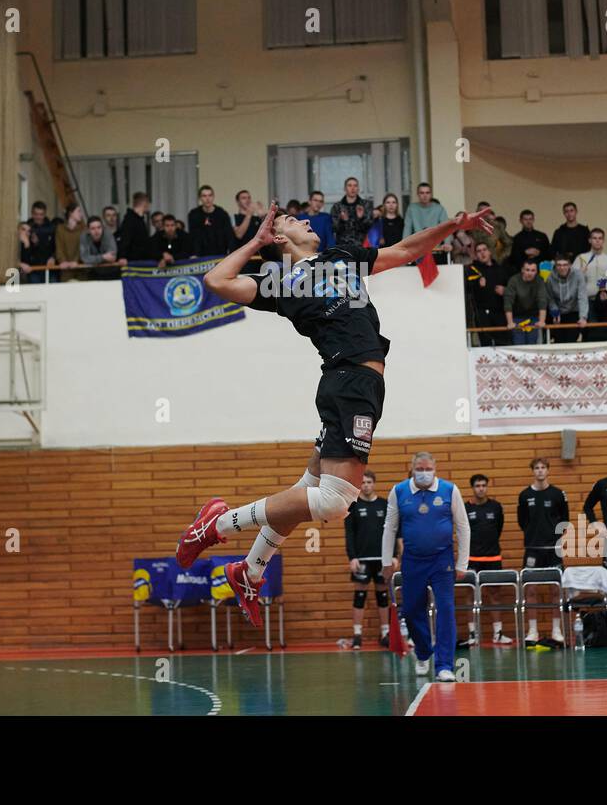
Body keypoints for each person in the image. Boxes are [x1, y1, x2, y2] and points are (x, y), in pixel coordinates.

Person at [175, 202, 494, 625]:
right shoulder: (279, 283)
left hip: (360, 385)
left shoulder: (340, 257)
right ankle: (216, 526)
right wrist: (255, 241)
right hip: (349, 383)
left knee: (309, 486)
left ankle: (249, 571)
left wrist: (451, 226)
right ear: (281, 240)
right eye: (293, 221)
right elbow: (217, 280)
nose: (307, 221)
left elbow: (403, 252)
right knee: (333, 503)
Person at [381, 453, 470, 681]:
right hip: (412, 560)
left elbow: (463, 527)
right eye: (419, 468)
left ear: (435, 468)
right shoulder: (399, 491)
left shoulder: (450, 490)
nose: (423, 472)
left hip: (442, 561)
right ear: (411, 469)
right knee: (411, 611)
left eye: (428, 468)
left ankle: (444, 666)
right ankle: (423, 652)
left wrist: (462, 563)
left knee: (446, 610)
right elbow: (389, 528)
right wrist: (385, 561)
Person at [517, 458, 569, 646]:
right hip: (532, 549)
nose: (540, 471)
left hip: (553, 549)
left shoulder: (558, 494)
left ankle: (556, 630)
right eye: (536, 468)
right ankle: (533, 630)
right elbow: (522, 521)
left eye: (543, 468)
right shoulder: (524, 495)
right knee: (530, 588)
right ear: (532, 471)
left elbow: (565, 520)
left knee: (556, 589)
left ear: (548, 470)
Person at [464, 473, 511, 645]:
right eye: (477, 486)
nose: (481, 488)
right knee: (470, 594)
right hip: (471, 557)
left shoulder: (496, 507)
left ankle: (497, 633)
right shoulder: (466, 508)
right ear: (473, 488)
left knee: (495, 594)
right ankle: (472, 634)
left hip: (492, 557)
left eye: (484, 485)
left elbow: (498, 528)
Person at [345, 471, 390, 650]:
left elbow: (392, 531)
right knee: (360, 595)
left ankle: (385, 633)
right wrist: (352, 557)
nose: (366, 485)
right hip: (362, 558)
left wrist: (393, 555)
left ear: (374, 484)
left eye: (369, 482)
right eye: (362, 482)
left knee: (383, 596)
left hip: (381, 558)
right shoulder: (353, 505)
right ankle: (357, 635)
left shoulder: (384, 505)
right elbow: (349, 534)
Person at [466, 242, 507, 346]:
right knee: (485, 344)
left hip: (499, 312)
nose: (482, 253)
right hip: (482, 313)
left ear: (489, 252)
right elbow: (467, 289)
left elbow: (511, 289)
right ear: (475, 255)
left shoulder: (500, 269)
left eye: (484, 250)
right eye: (479, 251)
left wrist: (505, 291)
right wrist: (477, 285)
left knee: (502, 343)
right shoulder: (472, 270)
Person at [545, 253, 590, 344]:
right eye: (559, 265)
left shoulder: (578, 275)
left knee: (571, 341)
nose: (562, 268)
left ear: (569, 265)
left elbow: (582, 297)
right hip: (558, 312)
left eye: (565, 265)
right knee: (559, 341)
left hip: (573, 311)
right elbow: (550, 298)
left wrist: (583, 317)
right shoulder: (550, 278)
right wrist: (555, 312)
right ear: (555, 266)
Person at [504, 258, 549, 345]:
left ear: (536, 271)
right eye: (527, 270)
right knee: (519, 344)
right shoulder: (514, 280)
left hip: (533, 317)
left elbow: (542, 300)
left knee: (532, 345)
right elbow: (508, 302)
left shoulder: (539, 280)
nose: (530, 273)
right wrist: (510, 322)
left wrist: (542, 321)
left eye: (533, 270)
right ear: (522, 270)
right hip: (517, 317)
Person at [402, 183, 448, 260]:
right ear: (418, 194)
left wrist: (447, 243)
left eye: (427, 193)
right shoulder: (412, 208)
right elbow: (407, 228)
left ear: (431, 194)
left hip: (436, 250)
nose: (425, 195)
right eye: (422, 193)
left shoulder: (439, 208)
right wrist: (404, 246)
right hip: (417, 251)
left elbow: (446, 227)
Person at [188, 185, 233, 257]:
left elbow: (229, 235)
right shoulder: (194, 214)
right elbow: (193, 236)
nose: (207, 199)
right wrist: (193, 253)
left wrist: (230, 252)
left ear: (213, 197)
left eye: (210, 195)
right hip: (201, 255)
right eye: (204, 196)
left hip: (220, 254)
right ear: (200, 198)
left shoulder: (222, 214)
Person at [332, 177, 375, 249]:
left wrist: (361, 218)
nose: (353, 188)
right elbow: (334, 229)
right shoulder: (337, 206)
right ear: (345, 189)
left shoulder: (366, 204)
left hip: (361, 247)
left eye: (355, 186)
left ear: (358, 189)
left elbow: (369, 226)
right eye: (350, 185)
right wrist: (342, 221)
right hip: (343, 247)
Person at [574, 228, 607, 306]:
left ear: (603, 241)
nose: (597, 241)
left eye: (600, 238)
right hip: (585, 300)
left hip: (604, 301)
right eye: (594, 238)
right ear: (589, 240)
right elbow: (571, 279)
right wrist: (579, 273)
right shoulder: (581, 258)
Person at [79, 215, 121, 281]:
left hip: (111, 272)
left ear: (103, 228)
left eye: (99, 227)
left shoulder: (108, 234)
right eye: (93, 228)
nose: (96, 231)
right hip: (93, 273)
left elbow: (112, 257)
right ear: (88, 230)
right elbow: (85, 258)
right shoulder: (84, 237)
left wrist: (93, 260)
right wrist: (103, 257)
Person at [117, 192, 155, 262]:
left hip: (141, 259)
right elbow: (125, 238)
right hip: (134, 260)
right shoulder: (130, 220)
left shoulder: (138, 220)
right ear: (145, 203)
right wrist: (122, 256)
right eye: (148, 203)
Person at [53, 203, 86, 281]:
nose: (81, 214)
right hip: (65, 268)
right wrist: (62, 261)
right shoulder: (60, 229)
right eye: (78, 211)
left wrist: (76, 261)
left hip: (80, 267)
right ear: (71, 213)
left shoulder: (83, 229)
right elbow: (59, 246)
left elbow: (83, 247)